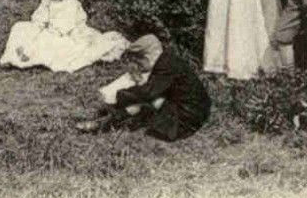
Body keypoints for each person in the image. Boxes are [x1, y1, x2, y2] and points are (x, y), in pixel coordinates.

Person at [0, 0, 127, 72]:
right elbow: (40, 18)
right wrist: (35, 29)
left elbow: (61, 29)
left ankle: (28, 56)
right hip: (48, 29)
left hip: (68, 35)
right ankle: (12, 57)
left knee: (50, 42)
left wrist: (37, 38)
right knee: (20, 27)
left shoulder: (70, 3)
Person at [77, 34, 210, 142]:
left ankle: (103, 124)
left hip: (189, 116)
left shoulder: (165, 66)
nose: (138, 66)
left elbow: (148, 93)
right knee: (148, 100)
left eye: (138, 61)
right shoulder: (167, 60)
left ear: (147, 57)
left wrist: (119, 95)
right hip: (196, 110)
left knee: (146, 101)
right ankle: (105, 121)